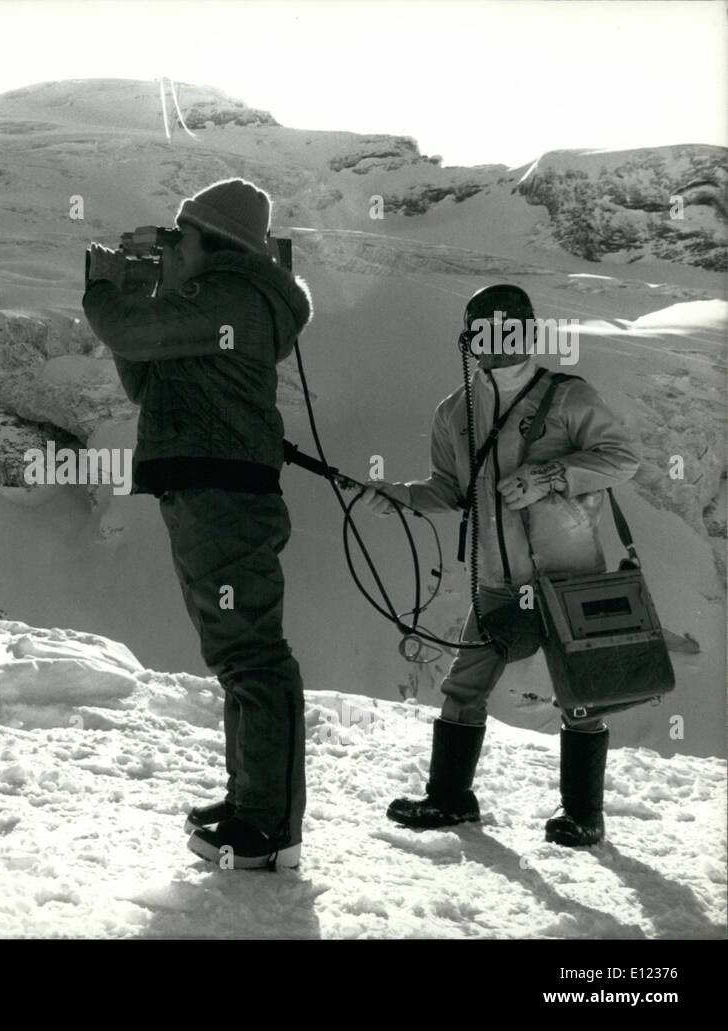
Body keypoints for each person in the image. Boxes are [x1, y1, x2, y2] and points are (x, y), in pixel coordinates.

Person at [83, 179, 313, 870]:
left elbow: (128, 331)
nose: (171, 247)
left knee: (252, 655)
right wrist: (138, 300)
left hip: (222, 492)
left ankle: (267, 826)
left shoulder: (232, 294)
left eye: (179, 236)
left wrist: (105, 291)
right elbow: (145, 375)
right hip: (206, 488)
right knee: (236, 654)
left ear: (212, 241)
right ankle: (252, 803)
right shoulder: (212, 297)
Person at [362, 284, 640, 846]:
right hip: (498, 581)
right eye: (485, 332)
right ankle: (450, 800)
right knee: (464, 686)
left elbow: (621, 458)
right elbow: (450, 489)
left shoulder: (569, 395)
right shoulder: (453, 412)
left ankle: (584, 815)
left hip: (571, 579)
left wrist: (549, 477)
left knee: (580, 695)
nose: (495, 342)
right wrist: (401, 497)